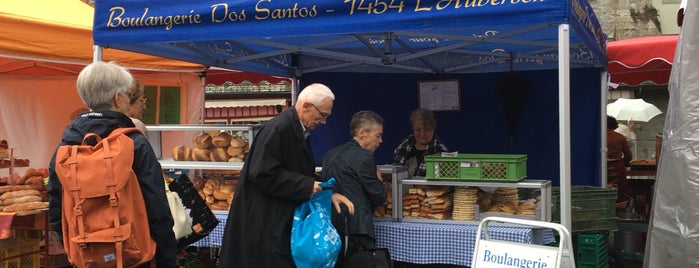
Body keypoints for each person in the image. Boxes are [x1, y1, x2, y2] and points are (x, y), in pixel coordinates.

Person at [46, 61, 177, 268]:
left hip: (86, 255)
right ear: (118, 98)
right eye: (126, 94)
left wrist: (77, 248)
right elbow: (157, 208)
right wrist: (167, 259)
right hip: (134, 256)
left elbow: (56, 209)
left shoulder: (65, 147)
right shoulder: (135, 143)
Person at [219, 83, 355, 268]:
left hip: (277, 220)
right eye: (322, 115)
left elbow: (299, 171)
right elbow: (262, 173)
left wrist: (328, 192)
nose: (323, 122)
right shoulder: (279, 128)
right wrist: (307, 186)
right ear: (306, 106)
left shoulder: (297, 129)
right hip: (264, 222)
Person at [320, 111, 387, 267]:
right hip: (356, 230)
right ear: (362, 133)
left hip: (329, 225)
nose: (381, 141)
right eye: (378, 135)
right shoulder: (365, 158)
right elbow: (380, 197)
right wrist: (378, 177)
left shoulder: (330, 154)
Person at [393, 108, 449, 177]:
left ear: (433, 129)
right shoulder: (406, 143)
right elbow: (396, 166)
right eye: (418, 130)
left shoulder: (439, 150)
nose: (422, 134)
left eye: (426, 130)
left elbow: (442, 179)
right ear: (413, 128)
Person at [607, 115, 633, 203]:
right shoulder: (620, 137)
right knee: (620, 192)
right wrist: (624, 164)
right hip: (617, 167)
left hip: (600, 167)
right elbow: (628, 156)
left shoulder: (597, 136)